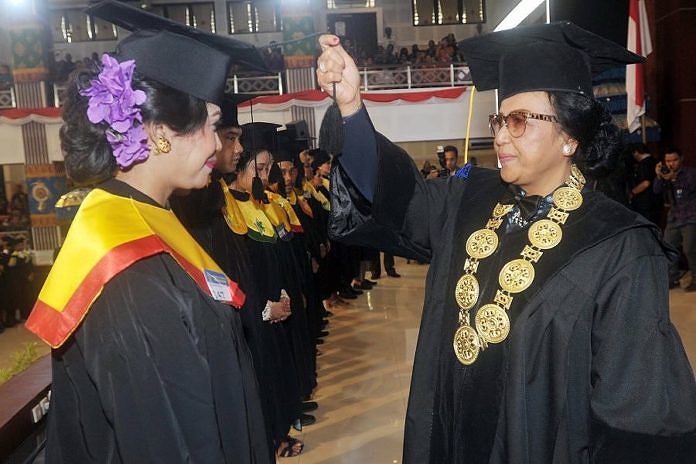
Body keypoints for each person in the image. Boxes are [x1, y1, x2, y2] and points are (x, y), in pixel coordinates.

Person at [317, 22, 696, 464]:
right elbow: (396, 197)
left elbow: (639, 417)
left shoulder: (619, 248)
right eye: (500, 119)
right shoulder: (469, 198)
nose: (499, 136)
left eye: (519, 121)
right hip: (452, 439)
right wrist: (351, 107)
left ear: (571, 135)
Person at [24, 1, 272, 462]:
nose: (219, 146)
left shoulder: (152, 220)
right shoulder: (127, 272)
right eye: (214, 127)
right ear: (159, 130)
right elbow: (170, 442)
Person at [654, 147, 696, 290]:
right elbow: (656, 190)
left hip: (690, 217)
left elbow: (690, 188)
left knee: (690, 249)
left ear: (681, 159)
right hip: (673, 218)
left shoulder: (690, 174)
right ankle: (672, 278)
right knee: (668, 248)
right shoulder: (665, 175)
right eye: (668, 161)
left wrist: (674, 178)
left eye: (674, 160)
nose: (671, 164)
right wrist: (659, 177)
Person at [628, 143, 661, 224]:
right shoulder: (654, 161)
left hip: (645, 203)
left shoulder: (644, 164)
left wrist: (632, 193)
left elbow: (645, 183)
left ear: (636, 152)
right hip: (655, 201)